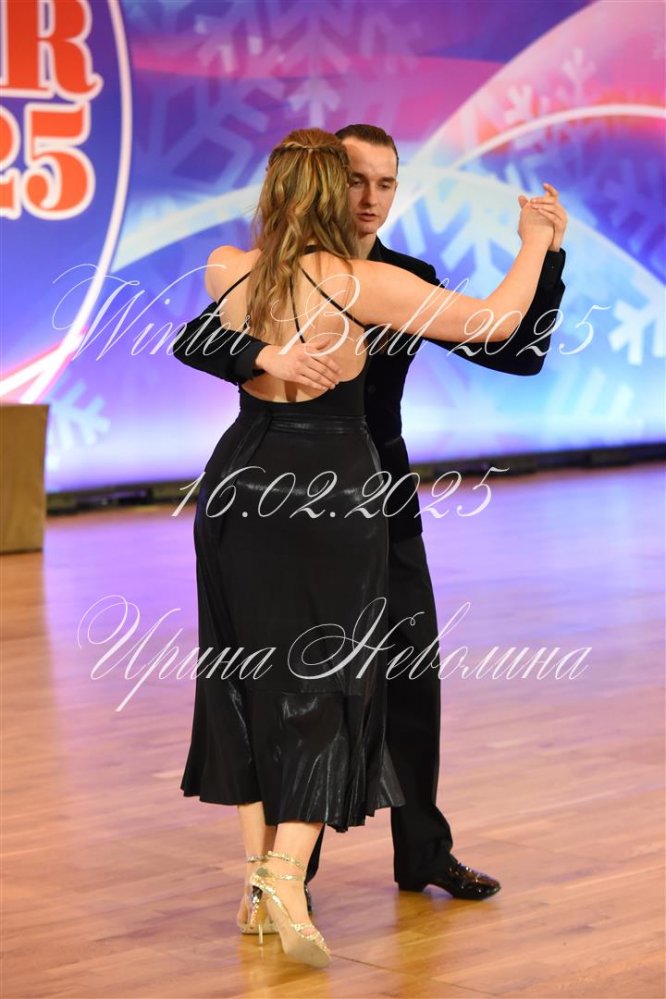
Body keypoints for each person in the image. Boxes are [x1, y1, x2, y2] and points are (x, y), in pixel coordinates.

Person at [175, 127, 557, 970]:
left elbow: (195, 338)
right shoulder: (371, 283)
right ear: (330, 191)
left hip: (241, 484)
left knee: (245, 674)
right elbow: (501, 322)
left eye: (386, 181)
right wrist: (536, 244)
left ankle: (268, 880)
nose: (372, 197)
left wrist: (264, 351)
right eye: (357, 181)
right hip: (337, 495)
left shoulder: (228, 267)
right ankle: (285, 875)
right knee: (330, 681)